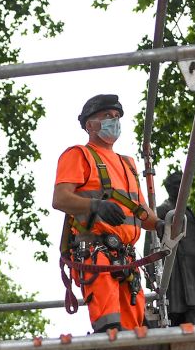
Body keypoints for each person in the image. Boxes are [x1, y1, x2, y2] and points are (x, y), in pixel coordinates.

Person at [52, 94, 151, 333]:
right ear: (89, 125)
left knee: (136, 333)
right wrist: (95, 206)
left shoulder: (128, 164)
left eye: (116, 117)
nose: (114, 121)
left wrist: (162, 224)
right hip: (98, 256)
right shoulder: (78, 155)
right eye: (107, 116)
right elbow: (60, 199)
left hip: (127, 261)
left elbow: (143, 213)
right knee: (111, 331)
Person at [156, 171, 195, 326]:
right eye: (177, 185)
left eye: (182, 186)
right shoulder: (163, 211)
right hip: (178, 274)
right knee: (186, 315)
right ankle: (190, 346)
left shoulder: (190, 213)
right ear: (170, 188)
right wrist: (155, 278)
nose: (181, 189)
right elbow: (152, 246)